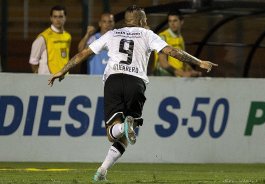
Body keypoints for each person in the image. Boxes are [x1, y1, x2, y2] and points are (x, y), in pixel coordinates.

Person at [48, 5, 217, 182]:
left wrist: (63, 70)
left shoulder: (112, 34)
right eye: (145, 19)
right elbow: (173, 52)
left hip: (113, 80)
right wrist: (199, 62)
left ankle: (104, 167)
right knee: (127, 135)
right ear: (141, 20)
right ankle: (103, 170)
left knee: (112, 133)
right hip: (135, 82)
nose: (147, 22)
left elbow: (83, 53)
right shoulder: (148, 35)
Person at [154, 10, 202, 77]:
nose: (172, 24)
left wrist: (192, 71)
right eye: (170, 21)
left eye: (175, 21)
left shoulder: (180, 38)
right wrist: (183, 74)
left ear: (181, 22)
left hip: (175, 79)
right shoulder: (163, 37)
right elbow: (163, 63)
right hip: (163, 78)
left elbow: (182, 61)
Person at [29, 5, 71, 74]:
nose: (58, 20)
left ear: (65, 18)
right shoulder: (43, 37)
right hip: (48, 79)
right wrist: (40, 78)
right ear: (51, 18)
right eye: (55, 17)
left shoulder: (67, 36)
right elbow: (33, 61)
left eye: (60, 17)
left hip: (63, 77)